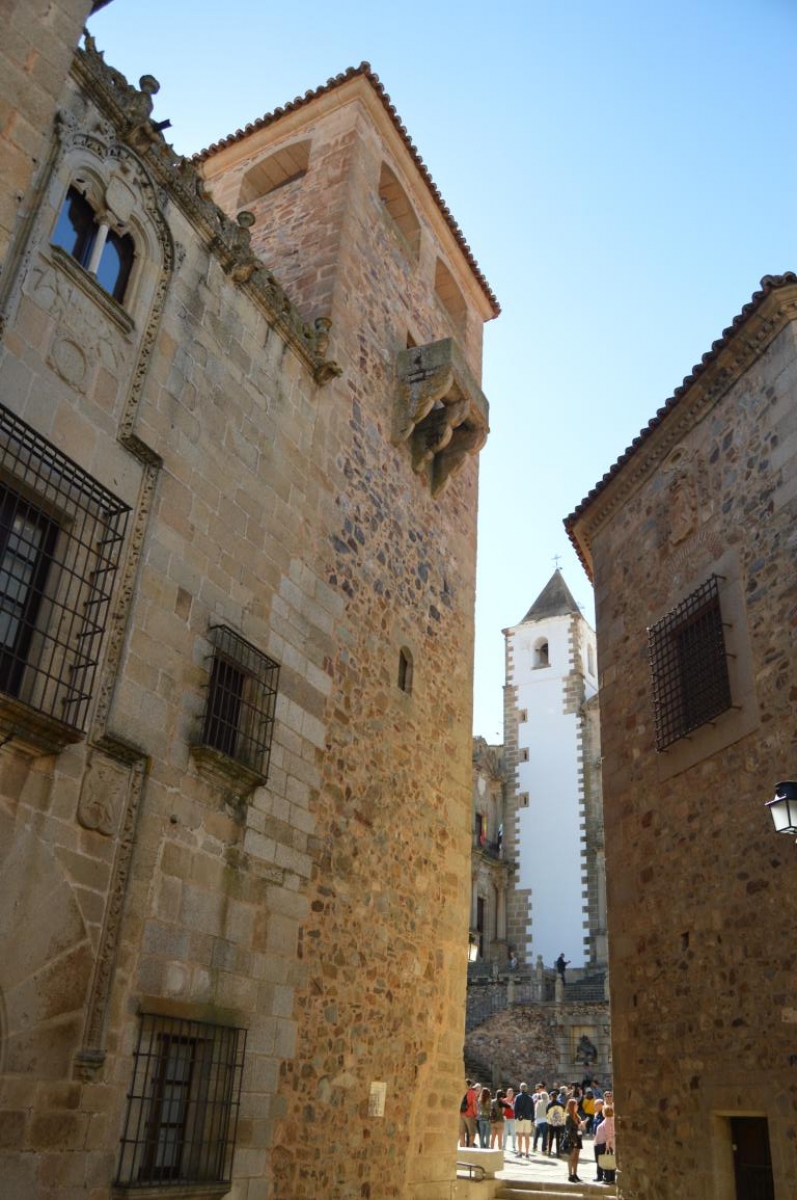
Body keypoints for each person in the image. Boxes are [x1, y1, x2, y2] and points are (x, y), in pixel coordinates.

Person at [565, 1097, 585, 1183]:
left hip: (578, 1138)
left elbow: (580, 1129)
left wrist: (582, 1125)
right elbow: (569, 1130)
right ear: (572, 1106)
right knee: (571, 1158)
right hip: (572, 1140)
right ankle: (570, 1175)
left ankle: (575, 1174)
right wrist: (574, 1141)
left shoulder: (577, 1116)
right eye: (576, 1104)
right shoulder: (569, 1117)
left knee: (576, 1158)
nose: (577, 1106)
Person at [513, 1082, 534, 1159]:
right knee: (527, 1137)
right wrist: (532, 1119)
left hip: (520, 1118)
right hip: (528, 1118)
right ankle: (527, 1152)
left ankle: (519, 1152)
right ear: (527, 1088)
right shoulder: (530, 1098)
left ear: (520, 1088)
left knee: (520, 1137)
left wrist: (515, 1117)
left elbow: (515, 1109)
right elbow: (532, 1110)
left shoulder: (518, 1097)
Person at [459, 1078, 479, 1147]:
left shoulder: (461, 1092)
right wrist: (475, 1113)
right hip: (469, 1115)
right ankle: (470, 1147)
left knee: (461, 1132)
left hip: (461, 1115)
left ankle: (463, 1146)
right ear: (470, 1085)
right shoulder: (471, 1092)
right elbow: (474, 1104)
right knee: (472, 1133)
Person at [546, 1090, 566, 1156]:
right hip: (558, 1124)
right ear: (556, 1097)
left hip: (551, 1123)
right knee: (558, 1138)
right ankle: (558, 1153)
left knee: (550, 1138)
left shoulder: (549, 1104)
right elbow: (564, 1112)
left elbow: (546, 1113)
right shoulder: (561, 1104)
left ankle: (549, 1151)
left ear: (551, 1097)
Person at [502, 1087, 517, 1154]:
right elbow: (501, 1110)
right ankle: (504, 1145)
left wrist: (512, 1107)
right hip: (505, 1119)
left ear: (513, 1094)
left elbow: (516, 1110)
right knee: (505, 1133)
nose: (510, 1093)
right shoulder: (504, 1100)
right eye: (509, 1092)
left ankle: (513, 1145)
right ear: (506, 1093)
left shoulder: (515, 1101)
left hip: (512, 1118)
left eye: (511, 1092)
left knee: (513, 1133)